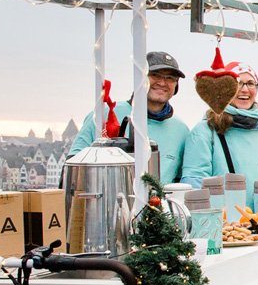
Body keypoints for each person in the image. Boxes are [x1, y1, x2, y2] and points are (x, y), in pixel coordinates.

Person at [69, 50, 189, 184]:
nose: (162, 82)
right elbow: (74, 165)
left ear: (176, 86)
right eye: (155, 75)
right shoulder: (105, 114)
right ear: (140, 78)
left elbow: (181, 182)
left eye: (170, 78)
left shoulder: (181, 130)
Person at [180, 62, 258, 210]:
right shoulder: (205, 131)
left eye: (250, 83)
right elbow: (194, 183)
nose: (245, 89)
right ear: (226, 89)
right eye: (238, 83)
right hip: (222, 226)